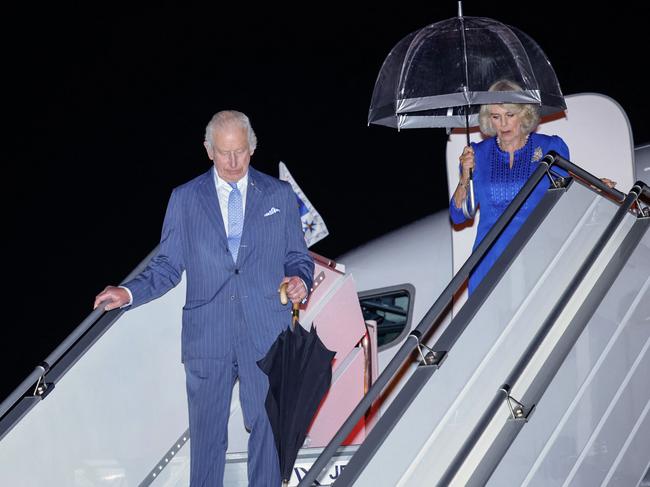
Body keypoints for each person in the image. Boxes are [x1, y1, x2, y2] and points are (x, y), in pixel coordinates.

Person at [94, 110, 314, 487]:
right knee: (207, 439)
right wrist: (127, 291)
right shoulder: (184, 199)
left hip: (266, 334)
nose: (233, 163)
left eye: (241, 152)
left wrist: (300, 280)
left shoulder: (279, 195)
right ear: (208, 150)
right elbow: (166, 266)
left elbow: (297, 256)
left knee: (268, 432)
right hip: (206, 338)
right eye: (224, 153)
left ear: (253, 148)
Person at [450, 79, 614, 294]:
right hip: (489, 261)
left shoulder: (549, 146)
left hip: (538, 257)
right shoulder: (477, 153)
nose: (503, 124)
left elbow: (565, 196)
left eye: (510, 115)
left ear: (524, 114)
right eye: (496, 117)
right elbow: (459, 216)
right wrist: (465, 176)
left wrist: (595, 187)